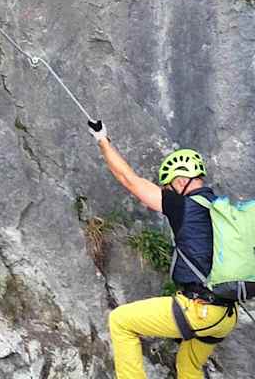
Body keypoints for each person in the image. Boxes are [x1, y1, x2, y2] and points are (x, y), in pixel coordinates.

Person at [87, 120, 246, 379]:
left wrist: (102, 140)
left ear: (182, 180)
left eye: (169, 186)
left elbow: (129, 180)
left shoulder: (184, 206)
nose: (167, 191)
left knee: (121, 321)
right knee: (188, 366)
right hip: (226, 315)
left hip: (200, 310)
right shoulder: (221, 209)